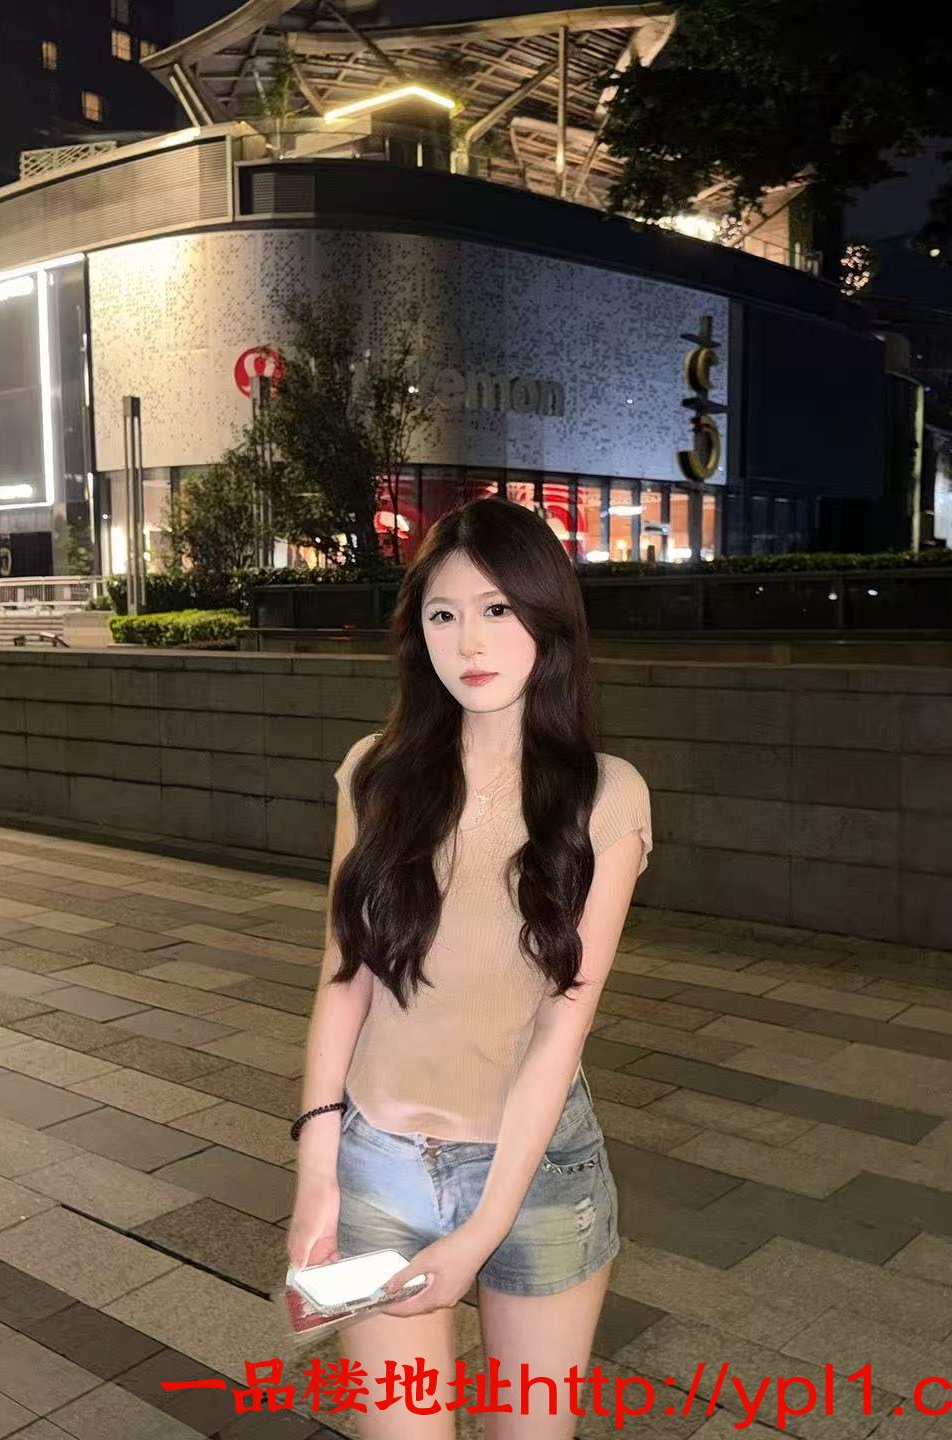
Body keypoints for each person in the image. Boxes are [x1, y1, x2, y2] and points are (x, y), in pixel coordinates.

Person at [287, 496, 653, 1438]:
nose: (470, 642)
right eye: (443, 614)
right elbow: (345, 976)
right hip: (377, 1163)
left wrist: (482, 1229)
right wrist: (317, 1178)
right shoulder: (375, 775)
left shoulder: (605, 796)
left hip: (535, 1175)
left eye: (497, 609)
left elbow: (561, 1028)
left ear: (547, 620)